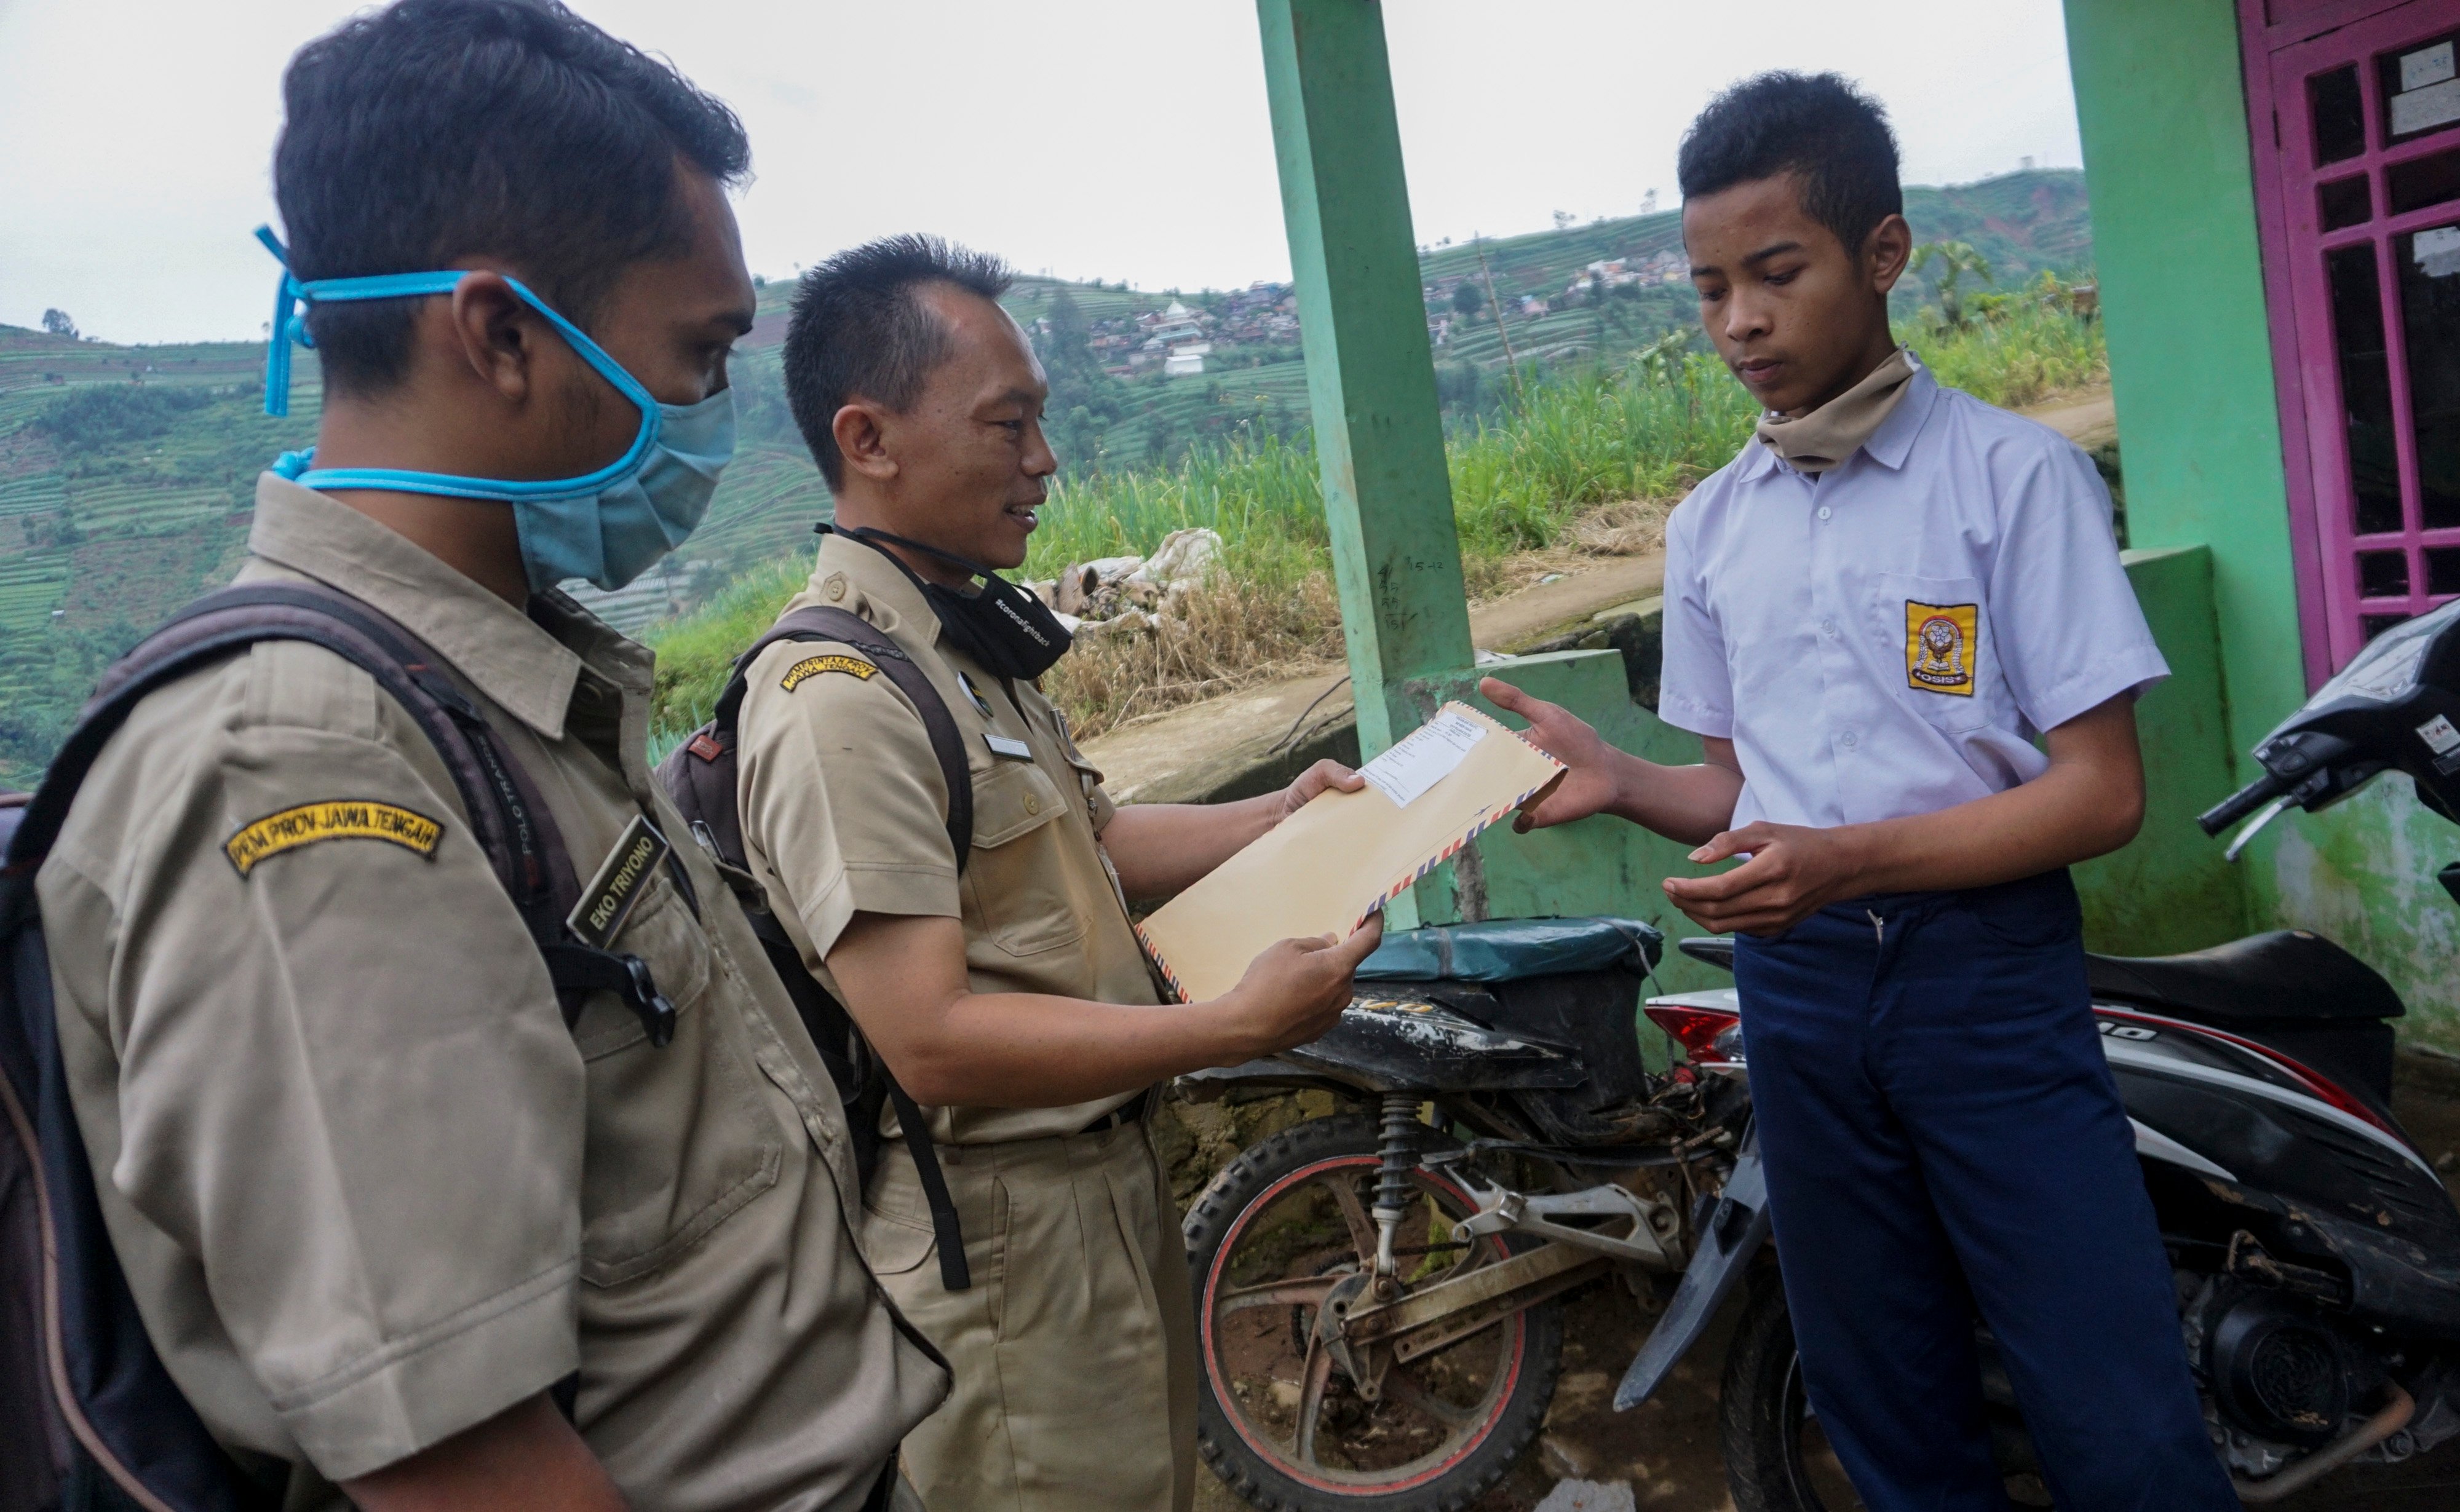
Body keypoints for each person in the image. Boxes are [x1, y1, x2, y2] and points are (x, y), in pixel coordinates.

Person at [37, 3, 948, 1506]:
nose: (711, 413)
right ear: (501, 333)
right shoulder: (303, 765)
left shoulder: (491, 684)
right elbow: (461, 1464)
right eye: (699, 351)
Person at [1483, 74, 2239, 1510]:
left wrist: (1849, 862)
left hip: (1986, 985)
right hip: (1800, 996)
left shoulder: (2012, 484)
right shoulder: (1707, 528)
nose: (1739, 325)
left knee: (2107, 1391)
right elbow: (1734, 794)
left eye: (1775, 274)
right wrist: (1623, 777)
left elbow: (2096, 795)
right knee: (1874, 1386)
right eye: (1708, 290)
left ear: (1880, 255)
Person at [734, 236, 1383, 1512]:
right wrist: (1227, 1029)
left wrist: (1282, 812)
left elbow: (1090, 846)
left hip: (1100, 1190)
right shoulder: (838, 698)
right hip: (1001, 1233)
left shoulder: (963, 651)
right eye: (1008, 424)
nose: (1044, 463)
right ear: (868, 440)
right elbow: (931, 1039)